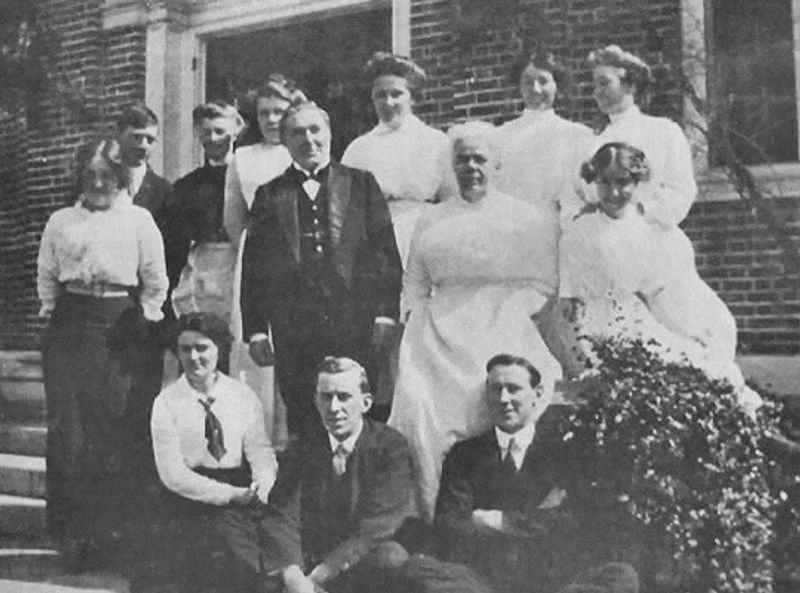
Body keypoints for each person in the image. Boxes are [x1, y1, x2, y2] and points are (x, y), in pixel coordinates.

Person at [388, 121, 563, 521]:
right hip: (436, 331)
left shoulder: (527, 219)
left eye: (479, 158)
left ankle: (500, 514)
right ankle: (435, 517)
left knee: (492, 393)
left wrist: (508, 312)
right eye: (462, 159)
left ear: (497, 165)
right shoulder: (431, 218)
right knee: (417, 403)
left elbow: (544, 284)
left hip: (504, 324)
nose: (470, 167)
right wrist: (416, 324)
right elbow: (414, 285)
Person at [37, 137, 167, 571]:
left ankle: (118, 537)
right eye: (90, 175)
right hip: (71, 325)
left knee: (118, 427)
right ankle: (74, 536)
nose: (98, 183)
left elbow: (155, 279)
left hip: (121, 326)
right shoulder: (61, 220)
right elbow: (47, 274)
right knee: (70, 431)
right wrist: (54, 315)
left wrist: (145, 319)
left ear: (121, 176)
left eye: (106, 175)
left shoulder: (139, 219)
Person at [241, 101, 402, 440]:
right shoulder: (270, 194)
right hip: (295, 328)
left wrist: (386, 313)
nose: (308, 139)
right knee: (304, 413)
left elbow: (385, 254)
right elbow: (254, 267)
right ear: (285, 141)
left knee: (360, 409)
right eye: (297, 132)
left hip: (355, 321)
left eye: (315, 130)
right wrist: (256, 330)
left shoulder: (361, 184)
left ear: (329, 134)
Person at [559, 142, 761, 412]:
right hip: (604, 324)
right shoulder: (581, 230)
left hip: (649, 315)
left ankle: (739, 419)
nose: (614, 192)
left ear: (638, 181)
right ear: (594, 181)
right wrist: (569, 296)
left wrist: (690, 330)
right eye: (605, 182)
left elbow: (669, 291)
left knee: (699, 363)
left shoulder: (654, 229)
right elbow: (570, 288)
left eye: (623, 182)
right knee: (653, 376)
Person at [259, 356, 417, 593]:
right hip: (309, 556)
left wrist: (319, 577)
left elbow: (378, 525)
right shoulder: (303, 446)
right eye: (326, 397)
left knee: (392, 559)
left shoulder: (390, 447)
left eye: (343, 397)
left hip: (358, 556)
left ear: (366, 403)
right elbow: (282, 513)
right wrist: (294, 578)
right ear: (316, 400)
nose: (333, 408)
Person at [151, 312, 276, 593]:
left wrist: (263, 486)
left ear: (219, 350)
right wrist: (231, 495)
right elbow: (173, 475)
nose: (194, 357)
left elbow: (260, 451)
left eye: (202, 348)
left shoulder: (243, 396)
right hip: (190, 496)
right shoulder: (167, 402)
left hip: (243, 490)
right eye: (185, 349)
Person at [225, 74, 306, 448]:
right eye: (264, 113)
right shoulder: (241, 158)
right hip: (257, 261)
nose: (272, 120)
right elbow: (233, 219)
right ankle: (255, 447)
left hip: (301, 261)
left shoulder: (306, 148)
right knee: (255, 353)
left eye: (279, 111)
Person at [341, 51, 458, 265]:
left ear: (411, 96)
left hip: (424, 234)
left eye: (396, 94)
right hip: (375, 240)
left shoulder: (436, 142)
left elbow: (452, 200)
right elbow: (347, 211)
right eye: (380, 95)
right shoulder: (358, 149)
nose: (388, 102)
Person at [493, 51, 594, 274]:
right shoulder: (500, 137)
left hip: (558, 234)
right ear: (519, 87)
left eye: (543, 81)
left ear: (557, 84)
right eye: (528, 82)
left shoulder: (577, 135)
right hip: (511, 235)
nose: (536, 89)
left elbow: (583, 193)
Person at [115, 103, 174, 450]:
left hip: (148, 311)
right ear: (118, 135)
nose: (143, 145)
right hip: (106, 307)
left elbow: (172, 254)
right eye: (135, 137)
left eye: (150, 139)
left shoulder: (166, 192)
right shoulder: (97, 185)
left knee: (144, 393)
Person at [587, 45, 696, 226]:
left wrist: (639, 214)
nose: (596, 91)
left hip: (650, 236)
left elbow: (682, 191)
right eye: (595, 84)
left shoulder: (664, 132)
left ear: (630, 85)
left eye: (604, 83)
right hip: (602, 239)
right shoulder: (592, 140)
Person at [167, 100, 245, 331]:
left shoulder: (248, 176)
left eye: (220, 131)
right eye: (206, 132)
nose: (212, 138)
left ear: (235, 132)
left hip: (238, 261)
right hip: (204, 265)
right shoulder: (188, 185)